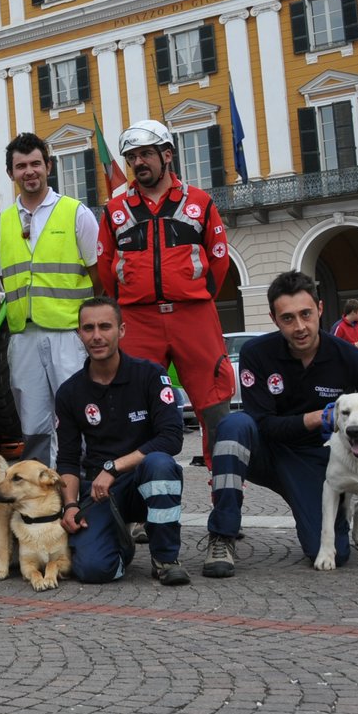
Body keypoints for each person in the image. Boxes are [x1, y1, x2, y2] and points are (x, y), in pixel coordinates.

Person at [202, 271, 358, 578]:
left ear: (319, 309)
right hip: (268, 452)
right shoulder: (256, 354)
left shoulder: (350, 358)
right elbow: (261, 423)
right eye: (288, 318)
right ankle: (222, 534)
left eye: (305, 314)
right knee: (233, 425)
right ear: (274, 319)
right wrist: (316, 417)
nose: (300, 327)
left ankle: (328, 518)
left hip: (314, 461)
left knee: (336, 554)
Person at [97, 120, 233, 461]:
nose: (138, 162)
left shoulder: (200, 202)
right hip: (138, 320)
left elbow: (219, 258)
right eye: (132, 157)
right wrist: (128, 303)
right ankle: (140, 500)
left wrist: (196, 295)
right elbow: (105, 266)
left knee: (214, 401)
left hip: (194, 316)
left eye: (146, 154)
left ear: (167, 155)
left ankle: (225, 494)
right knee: (133, 408)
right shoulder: (114, 211)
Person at [55, 298, 190, 587]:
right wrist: (69, 506)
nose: (97, 336)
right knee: (93, 571)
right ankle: (121, 543)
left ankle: (165, 558)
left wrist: (114, 467)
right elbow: (67, 458)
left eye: (105, 326)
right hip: (101, 492)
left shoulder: (151, 375)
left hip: (142, 479)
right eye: (88, 328)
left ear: (122, 330)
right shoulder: (69, 392)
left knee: (160, 463)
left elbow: (171, 438)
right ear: (79, 334)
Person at [0, 133, 101, 466]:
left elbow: (100, 280)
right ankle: (42, 496)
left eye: (35, 163)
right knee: (33, 422)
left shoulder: (76, 213)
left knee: (77, 412)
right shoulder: (2, 224)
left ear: (48, 166)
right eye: (21, 166)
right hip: (23, 336)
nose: (29, 171)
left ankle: (83, 487)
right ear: (11, 173)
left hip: (69, 333)